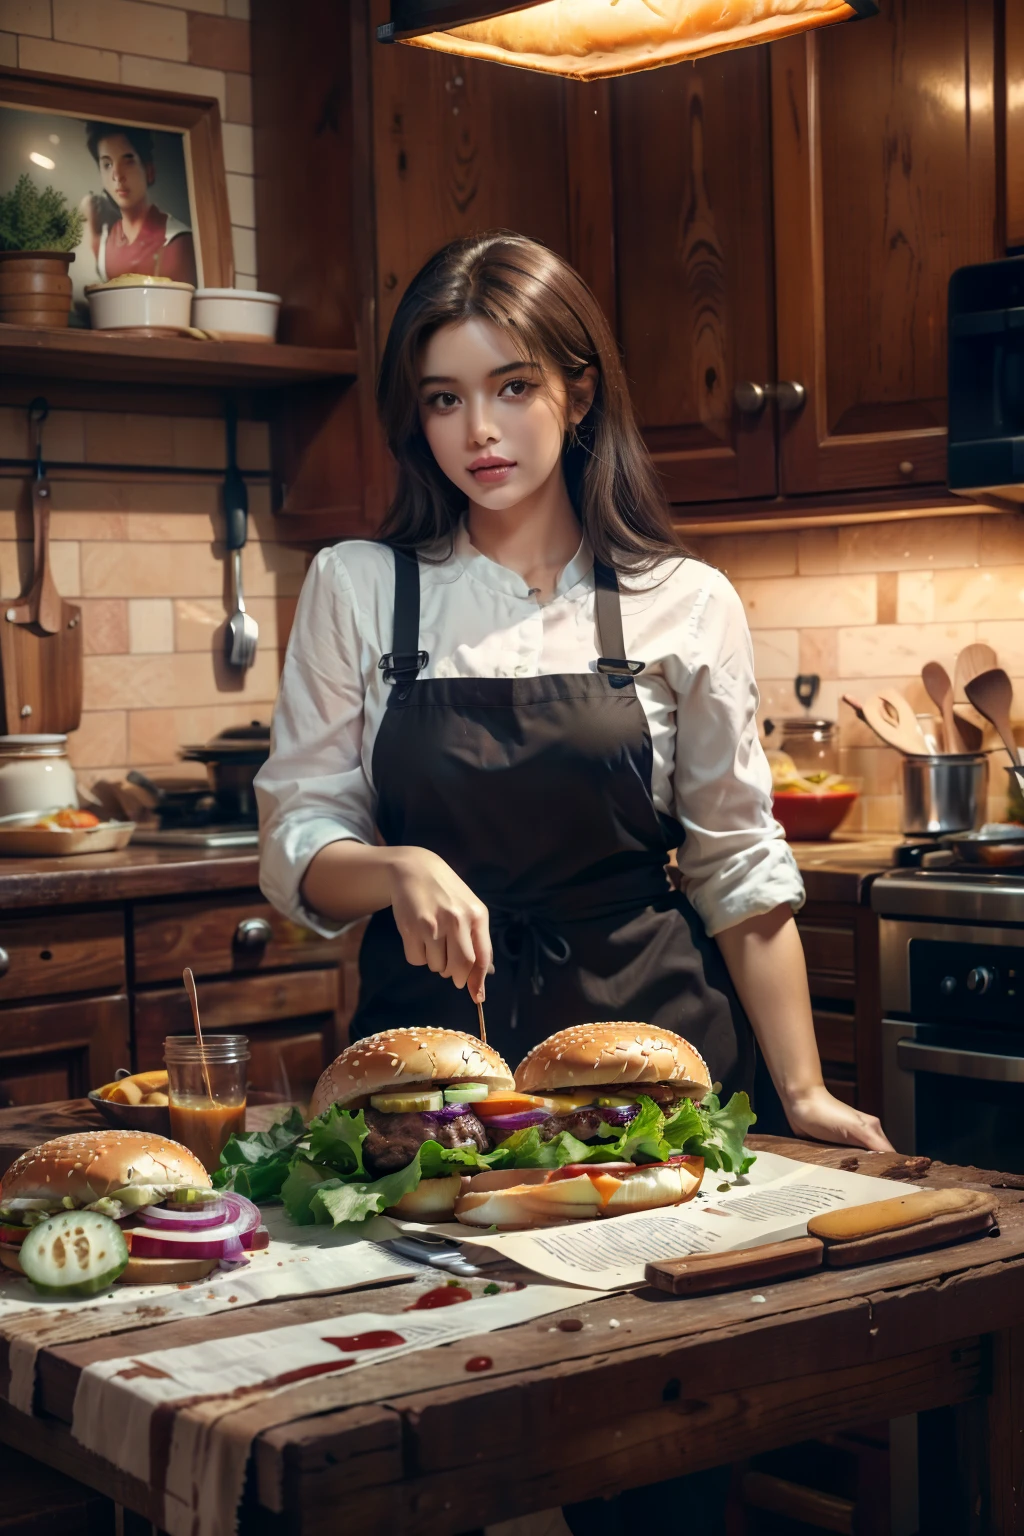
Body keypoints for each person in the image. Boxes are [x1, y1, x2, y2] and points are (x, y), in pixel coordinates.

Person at [257, 231, 892, 1532]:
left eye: (512, 388)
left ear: (578, 391)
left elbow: (738, 863)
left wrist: (808, 1088)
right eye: (442, 397)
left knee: (658, 1458)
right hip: (431, 1084)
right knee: (424, 1445)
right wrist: (396, 865)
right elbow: (298, 836)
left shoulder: (683, 600)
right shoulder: (358, 588)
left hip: (649, 1072)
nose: (477, 430)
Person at [80, 122, 197, 286]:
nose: (117, 176)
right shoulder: (106, 242)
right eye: (107, 165)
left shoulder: (176, 242)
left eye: (128, 161)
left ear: (149, 171)